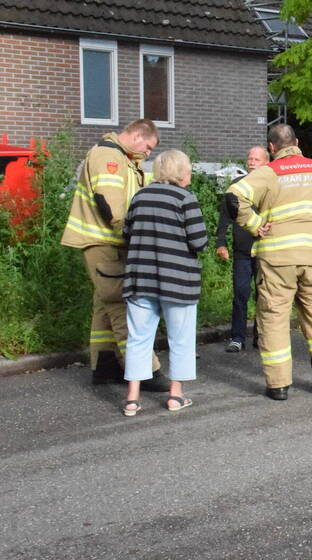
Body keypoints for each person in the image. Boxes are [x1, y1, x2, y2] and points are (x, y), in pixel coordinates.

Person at [228, 124, 312, 401]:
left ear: (272, 148)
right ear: (297, 142)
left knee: (275, 320)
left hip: (277, 260)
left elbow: (233, 197)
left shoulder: (268, 173)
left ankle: (279, 386)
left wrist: (254, 225)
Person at [60, 119, 169, 391]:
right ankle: (146, 371)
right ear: (136, 136)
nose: (148, 153)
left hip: (107, 243)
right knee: (122, 305)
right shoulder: (109, 155)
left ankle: (105, 365)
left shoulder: (122, 158)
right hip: (105, 242)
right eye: (148, 146)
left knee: (104, 305)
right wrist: (133, 234)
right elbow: (109, 204)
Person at [120, 150, 208, 416]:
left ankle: (132, 399)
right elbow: (199, 241)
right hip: (177, 281)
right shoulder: (185, 198)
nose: (190, 174)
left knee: (138, 339)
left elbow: (126, 234)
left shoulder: (140, 196)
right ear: (180, 172)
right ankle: (175, 396)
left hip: (140, 279)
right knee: (180, 340)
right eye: (188, 169)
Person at [215, 146, 270, 352]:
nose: (251, 162)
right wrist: (221, 242)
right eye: (249, 158)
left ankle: (261, 335)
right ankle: (237, 337)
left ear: (266, 162)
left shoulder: (272, 187)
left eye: (256, 159)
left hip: (266, 249)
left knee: (264, 295)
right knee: (240, 293)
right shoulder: (236, 187)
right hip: (243, 250)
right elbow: (225, 216)